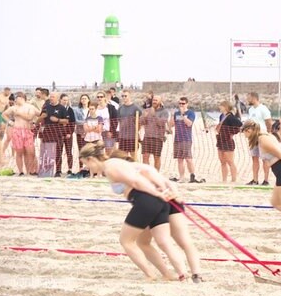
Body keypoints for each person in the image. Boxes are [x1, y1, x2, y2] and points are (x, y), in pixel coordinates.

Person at [78, 142, 202, 282]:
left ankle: (152, 275)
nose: (86, 167)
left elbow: (138, 181)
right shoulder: (118, 163)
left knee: (127, 241)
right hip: (158, 199)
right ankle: (182, 274)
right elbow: (148, 175)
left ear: (90, 159)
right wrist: (166, 192)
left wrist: (160, 192)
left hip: (149, 200)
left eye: (85, 164)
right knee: (161, 241)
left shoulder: (111, 167)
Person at [2, 92, 40, 176]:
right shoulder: (13, 108)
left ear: (22, 98)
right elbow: (3, 114)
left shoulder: (30, 107)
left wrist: (35, 123)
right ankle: (21, 171)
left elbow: (40, 114)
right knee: (19, 152)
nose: (15, 99)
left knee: (30, 152)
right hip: (17, 131)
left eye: (17, 97)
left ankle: (31, 170)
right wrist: (10, 122)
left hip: (27, 131)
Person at [169, 97, 201, 183]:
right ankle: (181, 177)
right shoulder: (176, 114)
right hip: (177, 138)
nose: (181, 105)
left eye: (183, 103)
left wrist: (183, 115)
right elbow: (171, 125)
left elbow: (189, 124)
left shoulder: (190, 113)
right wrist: (172, 115)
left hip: (186, 138)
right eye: (180, 103)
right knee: (179, 159)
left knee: (188, 158)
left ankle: (192, 175)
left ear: (187, 104)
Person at [37, 92, 69, 177]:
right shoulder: (45, 107)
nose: (51, 98)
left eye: (53, 97)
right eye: (50, 97)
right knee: (47, 152)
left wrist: (57, 120)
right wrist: (42, 117)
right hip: (47, 132)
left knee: (58, 152)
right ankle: (47, 170)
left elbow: (66, 121)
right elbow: (38, 121)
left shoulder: (62, 108)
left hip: (58, 132)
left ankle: (58, 171)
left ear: (57, 98)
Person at [246, 92, 273, 185]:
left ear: (254, 98)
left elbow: (269, 122)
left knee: (265, 158)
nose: (247, 100)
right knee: (254, 157)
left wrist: (268, 133)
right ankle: (255, 179)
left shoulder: (263, 109)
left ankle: (266, 180)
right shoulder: (250, 110)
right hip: (252, 136)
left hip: (262, 135)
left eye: (249, 98)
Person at [215, 101, 242, 183]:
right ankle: (224, 180)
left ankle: (233, 179)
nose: (220, 107)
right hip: (220, 139)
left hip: (228, 140)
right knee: (222, 161)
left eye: (221, 106)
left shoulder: (230, 117)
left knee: (230, 161)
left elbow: (239, 125)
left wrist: (232, 133)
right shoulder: (221, 116)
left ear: (226, 107)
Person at [140, 95, 170, 171]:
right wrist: (144, 117)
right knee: (145, 156)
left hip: (158, 138)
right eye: (153, 100)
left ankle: (156, 174)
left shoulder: (164, 112)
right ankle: (147, 174)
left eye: (156, 100)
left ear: (160, 101)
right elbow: (141, 122)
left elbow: (161, 123)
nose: (154, 102)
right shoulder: (147, 110)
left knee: (156, 157)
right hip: (147, 137)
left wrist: (154, 115)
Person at [117, 90, 143, 157]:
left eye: (125, 96)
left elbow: (141, 120)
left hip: (132, 136)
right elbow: (119, 122)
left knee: (133, 156)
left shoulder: (135, 108)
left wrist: (137, 131)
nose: (124, 97)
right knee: (123, 157)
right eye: (122, 96)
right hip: (123, 136)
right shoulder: (120, 108)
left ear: (129, 96)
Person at [57, 94, 76, 176]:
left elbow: (73, 123)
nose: (65, 101)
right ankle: (58, 169)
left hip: (68, 135)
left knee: (69, 152)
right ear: (60, 100)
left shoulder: (70, 110)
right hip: (59, 134)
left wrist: (69, 133)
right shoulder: (57, 109)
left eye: (67, 100)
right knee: (58, 152)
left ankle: (70, 169)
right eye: (64, 100)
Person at [73, 94, 91, 168]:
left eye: (85, 98)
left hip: (90, 133)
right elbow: (76, 121)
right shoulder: (76, 110)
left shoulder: (91, 109)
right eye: (82, 98)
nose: (84, 100)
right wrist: (85, 122)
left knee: (89, 150)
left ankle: (89, 167)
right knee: (81, 150)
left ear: (88, 100)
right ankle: (80, 167)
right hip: (80, 132)